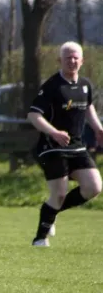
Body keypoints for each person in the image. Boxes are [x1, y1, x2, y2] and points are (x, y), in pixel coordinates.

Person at [28, 41, 103, 247]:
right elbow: (34, 115)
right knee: (59, 193)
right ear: (59, 60)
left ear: (82, 61)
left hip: (77, 146)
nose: (72, 61)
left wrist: (98, 128)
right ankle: (40, 239)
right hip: (52, 146)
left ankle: (52, 211)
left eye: (75, 57)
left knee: (94, 186)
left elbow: (88, 108)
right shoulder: (52, 86)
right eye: (67, 57)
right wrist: (54, 132)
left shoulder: (86, 85)